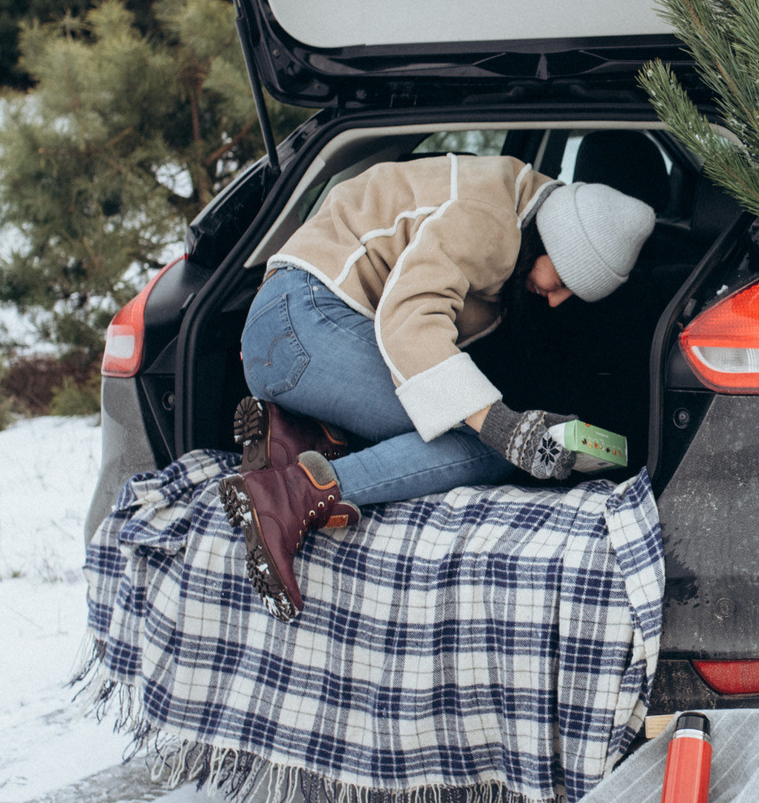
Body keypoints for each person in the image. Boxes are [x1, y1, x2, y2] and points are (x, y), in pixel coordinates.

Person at [220, 152, 657, 620]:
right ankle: (292, 496)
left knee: (462, 419)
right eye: (565, 281)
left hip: (287, 330)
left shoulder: (512, 201)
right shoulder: (487, 218)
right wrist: (505, 429)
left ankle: (303, 439)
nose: (556, 300)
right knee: (485, 447)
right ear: (551, 241)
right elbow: (410, 324)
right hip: (304, 326)